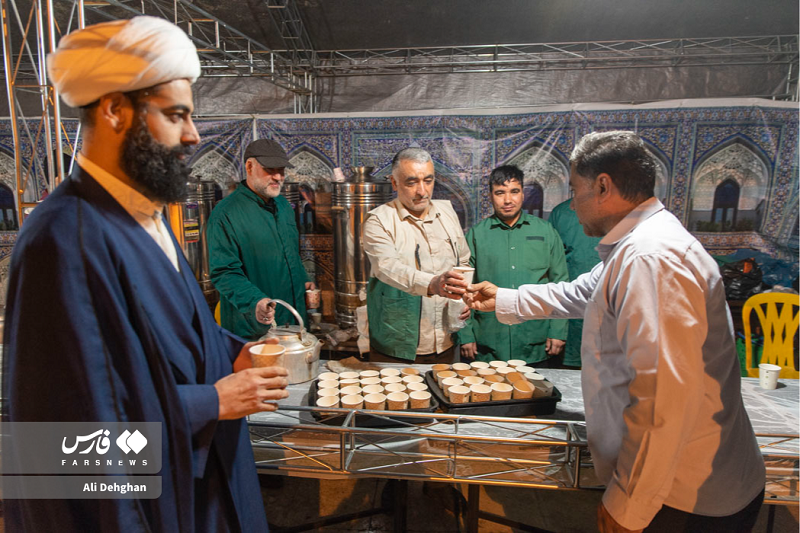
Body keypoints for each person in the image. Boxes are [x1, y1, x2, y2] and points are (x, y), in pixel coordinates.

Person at [2, 17, 288, 531]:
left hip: (205, 492)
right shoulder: (63, 239)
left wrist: (233, 351)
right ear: (115, 110)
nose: (193, 135)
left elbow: (167, 332)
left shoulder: (140, 215)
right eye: (176, 115)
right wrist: (211, 401)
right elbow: (63, 442)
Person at [465, 131, 765, 532]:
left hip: (685, 496)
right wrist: (502, 298)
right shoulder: (636, 246)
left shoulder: (651, 258)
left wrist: (629, 504)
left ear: (603, 186)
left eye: (575, 189)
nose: (571, 203)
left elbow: (664, 398)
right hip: (676, 486)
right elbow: (580, 293)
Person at [362, 147, 470, 363]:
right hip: (396, 345)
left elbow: (464, 260)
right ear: (394, 183)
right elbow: (388, 268)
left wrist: (464, 297)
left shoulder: (447, 213)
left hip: (445, 341)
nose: (422, 191)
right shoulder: (379, 220)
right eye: (411, 182)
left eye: (428, 181)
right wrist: (433, 283)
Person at [458, 165, 568, 365]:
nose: (508, 200)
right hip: (488, 344)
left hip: (536, 341)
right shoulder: (476, 235)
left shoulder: (546, 231)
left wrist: (558, 330)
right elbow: (463, 288)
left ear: (523, 194)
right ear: (490, 196)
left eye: (514, 191)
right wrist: (466, 335)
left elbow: (560, 283)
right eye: (500, 193)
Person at [207, 138, 316, 340]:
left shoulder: (283, 206)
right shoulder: (225, 214)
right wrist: (254, 301)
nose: (278, 177)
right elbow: (224, 272)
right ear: (249, 166)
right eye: (270, 169)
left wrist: (303, 280)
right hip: (253, 327)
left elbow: (290, 253)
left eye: (281, 170)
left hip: (293, 320)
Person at [547, 197, 601, 367]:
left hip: (610, 323)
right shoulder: (562, 213)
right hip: (570, 321)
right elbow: (553, 273)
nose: (573, 205)